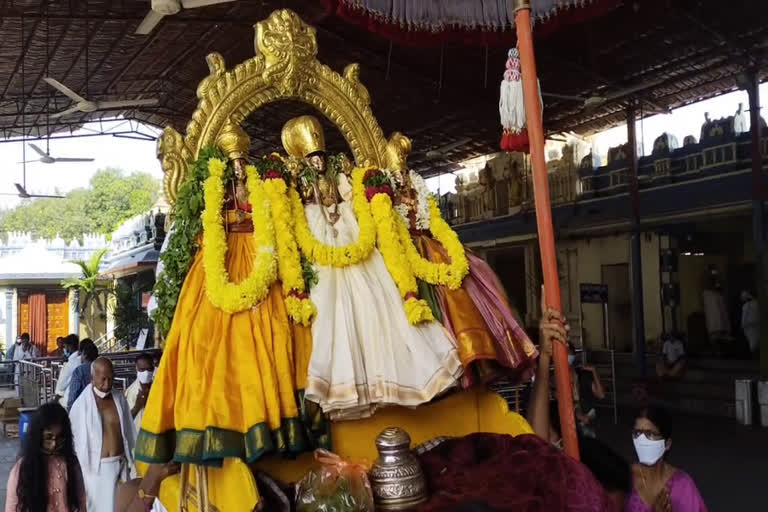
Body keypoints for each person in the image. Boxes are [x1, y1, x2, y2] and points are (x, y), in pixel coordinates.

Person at [136, 123, 330, 512]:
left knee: (278, 339)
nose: (240, 170)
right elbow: (204, 235)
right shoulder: (215, 192)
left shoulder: (261, 188)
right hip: (221, 269)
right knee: (209, 349)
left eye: (244, 162)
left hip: (263, 263)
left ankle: (281, 429)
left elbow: (274, 227)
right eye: (234, 163)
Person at [70, 357, 136, 512]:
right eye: (103, 379)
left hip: (120, 466)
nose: (107, 384)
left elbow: (129, 432)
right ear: (92, 378)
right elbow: (75, 444)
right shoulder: (80, 406)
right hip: (96, 471)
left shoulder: (119, 399)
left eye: (110, 379)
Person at [5, 402, 86, 512]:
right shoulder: (22, 468)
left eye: (59, 438)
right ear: (38, 436)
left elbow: (81, 500)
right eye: (48, 438)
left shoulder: (71, 463)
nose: (53, 445)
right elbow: (12, 508)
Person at [627, 406, 707, 511]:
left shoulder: (682, 485)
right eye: (637, 433)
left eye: (650, 434)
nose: (642, 440)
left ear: (667, 444)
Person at [124, 353, 154, 431]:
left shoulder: (158, 388)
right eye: (142, 370)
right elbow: (126, 420)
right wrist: (137, 406)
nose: (146, 373)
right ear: (136, 369)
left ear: (153, 369)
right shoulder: (131, 391)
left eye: (149, 369)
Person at [66, 340, 97, 411]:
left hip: (82, 408)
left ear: (85, 355)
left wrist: (70, 411)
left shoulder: (79, 371)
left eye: (81, 354)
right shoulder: (102, 368)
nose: (80, 357)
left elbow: (73, 394)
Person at [55, 335, 82, 408]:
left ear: (69, 346)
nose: (64, 349)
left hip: (69, 399)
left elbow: (61, 385)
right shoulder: (80, 359)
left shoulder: (71, 363)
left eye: (65, 346)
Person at [740, 290, 759, 355]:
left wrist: (742, 325)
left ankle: (755, 354)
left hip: (749, 325)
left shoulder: (746, 305)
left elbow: (744, 317)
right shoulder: (757, 303)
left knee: (752, 341)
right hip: (756, 323)